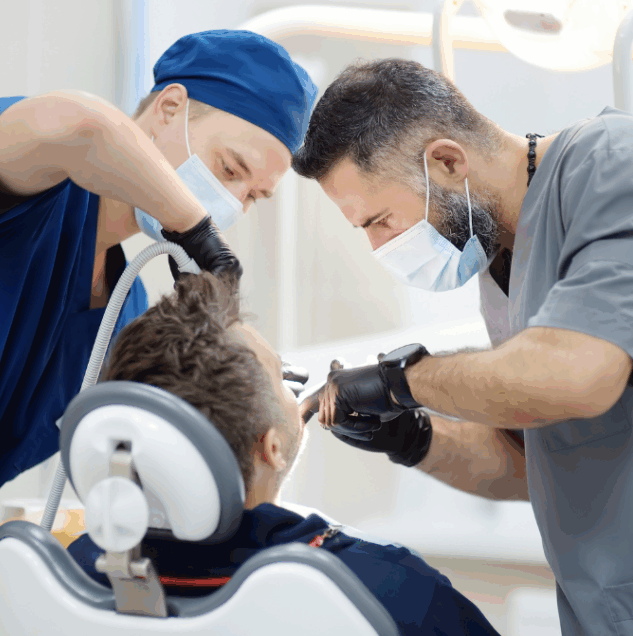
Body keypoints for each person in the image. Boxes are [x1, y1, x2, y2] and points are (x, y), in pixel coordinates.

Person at [0, 30, 316, 635]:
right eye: (229, 169)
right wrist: (197, 233)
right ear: (169, 108)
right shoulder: (16, 177)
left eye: (252, 196)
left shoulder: (122, 308)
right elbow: (84, 127)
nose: (231, 203)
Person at [290, 58, 633, 635]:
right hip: (626, 611)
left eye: (381, 221)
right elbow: (535, 465)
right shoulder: (501, 265)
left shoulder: (617, 165)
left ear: (446, 162)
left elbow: (577, 375)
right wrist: (413, 437)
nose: (379, 248)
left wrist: (402, 381)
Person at [65, 272, 501, 636]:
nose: (296, 386)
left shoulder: (79, 573)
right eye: (280, 376)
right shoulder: (389, 589)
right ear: (272, 447)